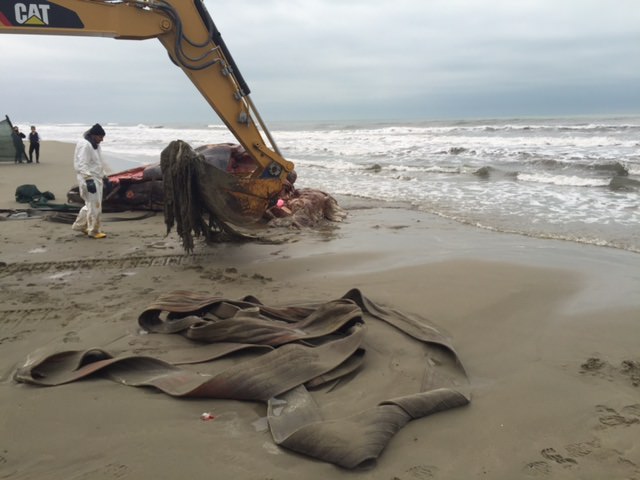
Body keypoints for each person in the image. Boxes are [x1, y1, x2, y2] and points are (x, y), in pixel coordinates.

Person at [71, 123, 108, 239]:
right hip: (89, 179)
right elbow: (82, 163)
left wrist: (105, 177)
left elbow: (98, 163)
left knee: (90, 205)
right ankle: (94, 231)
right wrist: (88, 179)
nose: (102, 140)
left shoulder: (95, 146)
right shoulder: (85, 145)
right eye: (100, 137)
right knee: (95, 206)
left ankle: (80, 225)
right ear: (93, 135)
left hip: (97, 177)